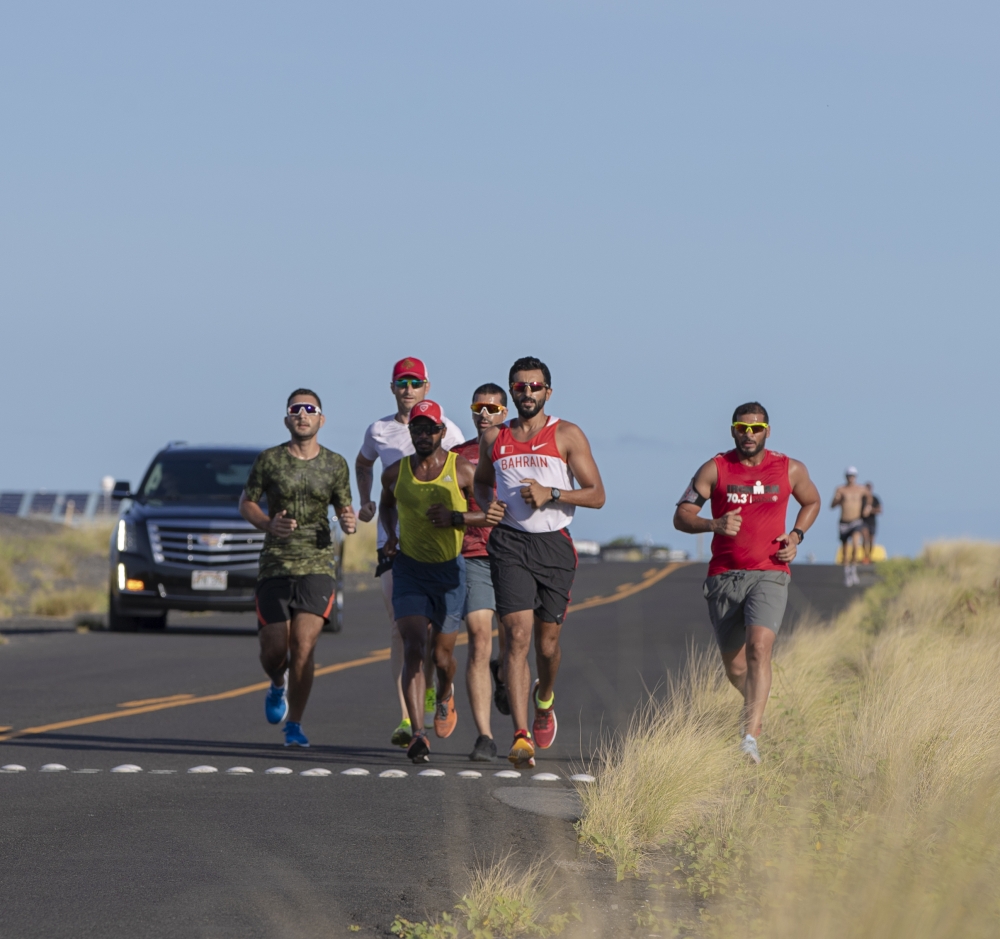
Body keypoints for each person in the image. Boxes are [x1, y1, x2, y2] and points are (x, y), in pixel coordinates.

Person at [475, 356, 606, 768]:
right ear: (511, 392)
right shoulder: (495, 437)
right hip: (510, 543)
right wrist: (487, 507)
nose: (527, 393)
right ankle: (519, 735)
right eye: (519, 387)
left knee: (547, 646)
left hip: (554, 546)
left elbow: (597, 494)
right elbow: (481, 481)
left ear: (548, 391)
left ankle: (544, 701)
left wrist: (552, 493)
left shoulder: (566, 434)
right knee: (515, 637)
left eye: (535, 387)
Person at [673, 402, 820, 764]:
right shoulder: (715, 469)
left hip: (770, 573)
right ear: (732, 430)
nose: (749, 434)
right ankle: (758, 704)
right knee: (737, 668)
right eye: (742, 427)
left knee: (759, 648)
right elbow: (681, 515)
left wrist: (796, 536)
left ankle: (750, 737)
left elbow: (812, 501)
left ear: (768, 431)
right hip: (724, 577)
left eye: (756, 428)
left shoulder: (790, 468)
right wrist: (714, 524)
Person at [355, 357, 464, 747]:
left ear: (426, 387)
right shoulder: (379, 430)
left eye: (415, 382)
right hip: (396, 544)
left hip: (442, 547)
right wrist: (366, 502)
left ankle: (437, 691)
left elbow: (466, 476)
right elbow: (363, 462)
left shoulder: (446, 429)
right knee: (402, 630)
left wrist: (464, 520)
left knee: (437, 643)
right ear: (391, 387)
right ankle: (407, 716)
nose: (408, 389)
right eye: (401, 382)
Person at [239, 389, 357, 748]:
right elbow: (247, 503)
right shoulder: (269, 460)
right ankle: (277, 685)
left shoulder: (336, 463)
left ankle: (295, 724)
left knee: (303, 647)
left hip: (318, 563)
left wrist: (349, 521)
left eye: (310, 409)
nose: (303, 415)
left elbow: (344, 508)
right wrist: (267, 524)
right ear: (287, 418)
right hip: (276, 564)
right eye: (296, 409)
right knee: (275, 651)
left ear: (321, 419)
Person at [379, 400, 488, 763]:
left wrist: (456, 517)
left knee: (441, 657)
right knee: (413, 645)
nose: (424, 435)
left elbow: (490, 513)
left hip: (448, 573)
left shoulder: (463, 470)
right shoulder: (395, 473)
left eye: (430, 429)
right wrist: (391, 536)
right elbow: (387, 504)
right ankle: (418, 733)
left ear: (442, 432)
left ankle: (443, 695)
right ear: (410, 432)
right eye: (417, 429)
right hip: (410, 569)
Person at [451, 383, 510, 762]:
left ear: (505, 412)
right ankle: (485, 737)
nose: (484, 413)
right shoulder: (457, 456)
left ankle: (504, 675)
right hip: (473, 554)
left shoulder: (518, 449)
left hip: (515, 555)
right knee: (477, 638)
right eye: (478, 407)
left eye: (492, 408)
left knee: (516, 642)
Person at [832, 467, 867, 586]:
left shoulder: (861, 489)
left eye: (853, 475)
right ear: (845, 477)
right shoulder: (841, 489)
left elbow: (870, 497)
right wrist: (837, 500)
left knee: (856, 545)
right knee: (845, 549)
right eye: (849, 475)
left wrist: (867, 507)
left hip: (856, 521)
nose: (851, 478)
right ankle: (847, 573)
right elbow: (832, 505)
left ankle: (854, 570)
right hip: (844, 522)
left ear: (856, 477)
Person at [861, 482, 882, 564]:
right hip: (863, 521)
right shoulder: (862, 499)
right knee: (864, 538)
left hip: (872, 522)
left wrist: (871, 510)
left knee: (871, 540)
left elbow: (880, 510)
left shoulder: (875, 499)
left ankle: (869, 556)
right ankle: (865, 556)